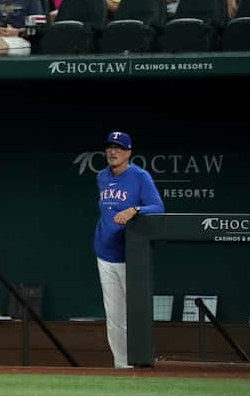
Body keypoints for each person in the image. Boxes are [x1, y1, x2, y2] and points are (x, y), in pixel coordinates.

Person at [94, 131, 164, 369]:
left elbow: (158, 207)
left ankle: (141, 363)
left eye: (119, 148)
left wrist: (135, 209)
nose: (113, 152)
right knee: (113, 316)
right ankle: (121, 366)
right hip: (105, 252)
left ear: (128, 152)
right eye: (109, 147)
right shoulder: (101, 177)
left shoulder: (140, 176)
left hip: (132, 256)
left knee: (134, 314)